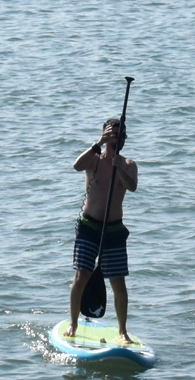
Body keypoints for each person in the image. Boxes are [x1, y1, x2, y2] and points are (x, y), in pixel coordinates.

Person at [65, 117, 139, 344]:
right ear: (107, 135)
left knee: (118, 281)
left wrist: (119, 168)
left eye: (123, 135)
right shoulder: (94, 160)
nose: (120, 139)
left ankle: (122, 331)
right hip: (89, 226)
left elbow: (132, 186)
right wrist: (98, 143)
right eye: (115, 135)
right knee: (81, 276)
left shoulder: (128, 164)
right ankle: (74, 324)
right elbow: (76, 165)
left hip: (114, 230)